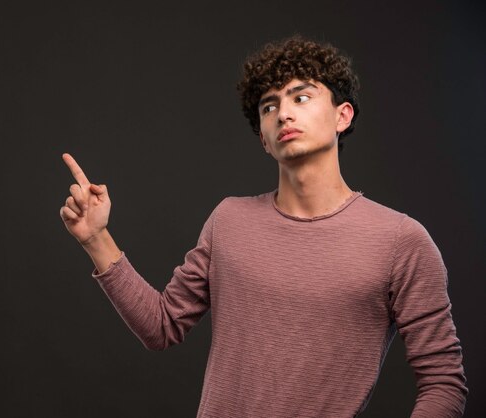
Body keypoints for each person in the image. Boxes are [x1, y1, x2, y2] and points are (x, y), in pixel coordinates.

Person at [59, 36, 468, 417]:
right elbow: (161, 326)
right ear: (264, 139)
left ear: (342, 115)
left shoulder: (401, 241)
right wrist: (96, 237)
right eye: (269, 107)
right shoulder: (229, 220)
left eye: (301, 97)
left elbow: (443, 382)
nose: (283, 113)